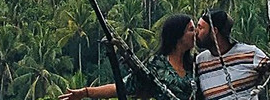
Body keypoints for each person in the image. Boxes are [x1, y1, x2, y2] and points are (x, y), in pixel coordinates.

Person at [61, 14, 197, 100]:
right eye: (191, 29)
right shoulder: (157, 65)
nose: (195, 33)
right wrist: (86, 92)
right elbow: (122, 87)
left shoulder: (195, 65)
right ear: (177, 35)